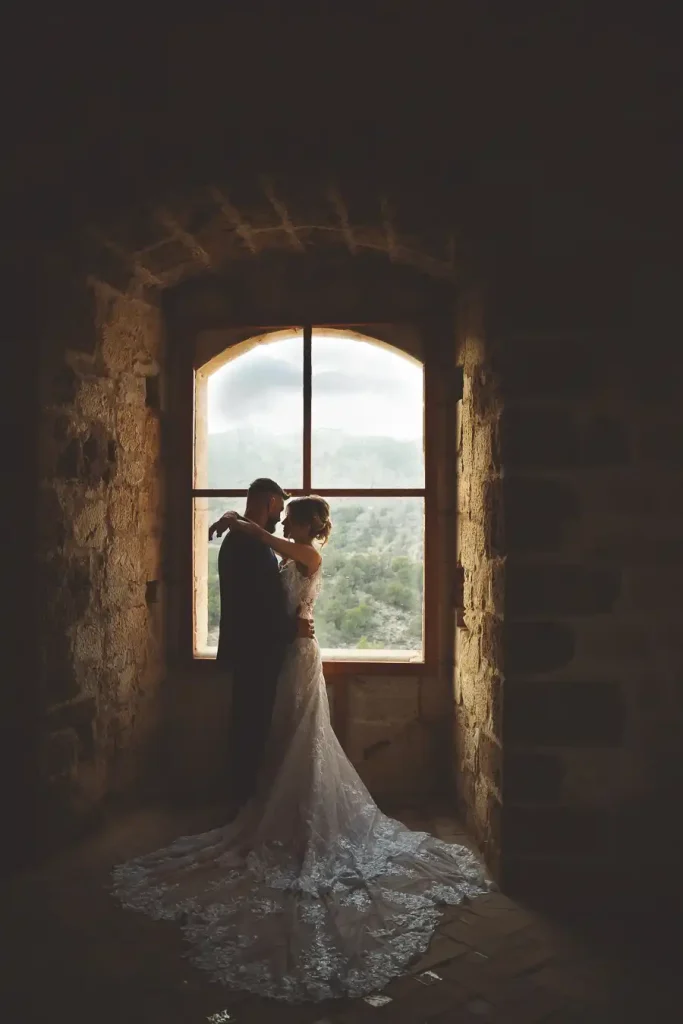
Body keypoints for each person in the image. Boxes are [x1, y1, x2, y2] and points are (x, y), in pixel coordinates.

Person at [112, 495, 491, 1003]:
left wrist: (236, 521)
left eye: (293, 516)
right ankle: (285, 807)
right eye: (284, 515)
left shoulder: (307, 556)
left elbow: (269, 544)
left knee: (304, 734)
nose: (286, 520)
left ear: (312, 525)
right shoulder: (288, 557)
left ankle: (307, 812)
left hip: (301, 654)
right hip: (286, 650)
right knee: (285, 734)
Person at [211, 478, 314, 812]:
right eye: (280, 508)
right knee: (251, 727)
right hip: (257, 650)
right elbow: (259, 606)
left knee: (251, 724)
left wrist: (229, 517)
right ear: (270, 501)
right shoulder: (249, 544)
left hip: (253, 649)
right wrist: (293, 629)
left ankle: (245, 797)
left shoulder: (244, 539)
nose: (281, 517)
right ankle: (243, 801)